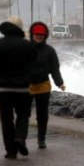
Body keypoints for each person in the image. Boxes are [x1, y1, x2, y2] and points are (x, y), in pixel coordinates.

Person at [0, 16, 37, 159]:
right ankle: (20, 138)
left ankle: (11, 151)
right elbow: (35, 69)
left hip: (3, 90)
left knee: (6, 120)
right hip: (24, 90)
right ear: (20, 29)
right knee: (23, 116)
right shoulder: (28, 46)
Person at [29, 21, 65, 149]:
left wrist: (59, 83)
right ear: (32, 34)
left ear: (45, 36)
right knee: (23, 113)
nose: (39, 37)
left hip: (43, 85)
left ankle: (41, 139)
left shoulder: (50, 51)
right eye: (36, 34)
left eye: (41, 35)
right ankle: (20, 138)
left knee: (42, 114)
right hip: (27, 86)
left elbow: (55, 69)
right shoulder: (25, 48)